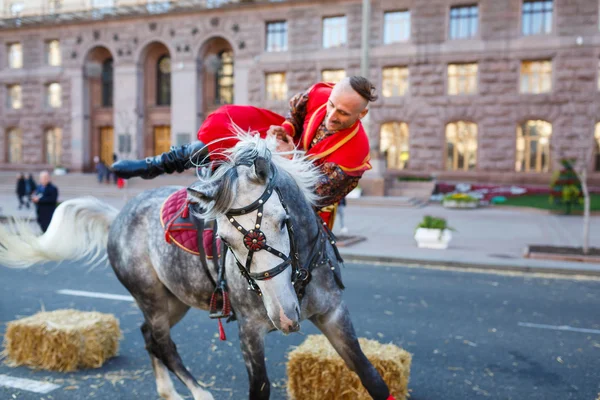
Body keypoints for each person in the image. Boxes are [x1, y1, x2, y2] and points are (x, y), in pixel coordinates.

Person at [111, 76, 377, 228]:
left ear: (362, 114)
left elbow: (319, 195)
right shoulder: (321, 93)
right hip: (287, 147)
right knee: (230, 123)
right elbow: (296, 116)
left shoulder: (355, 153)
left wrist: (290, 157)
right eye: (331, 106)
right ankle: (157, 164)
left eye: (343, 113)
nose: (332, 115)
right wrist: (283, 130)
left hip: (302, 195)